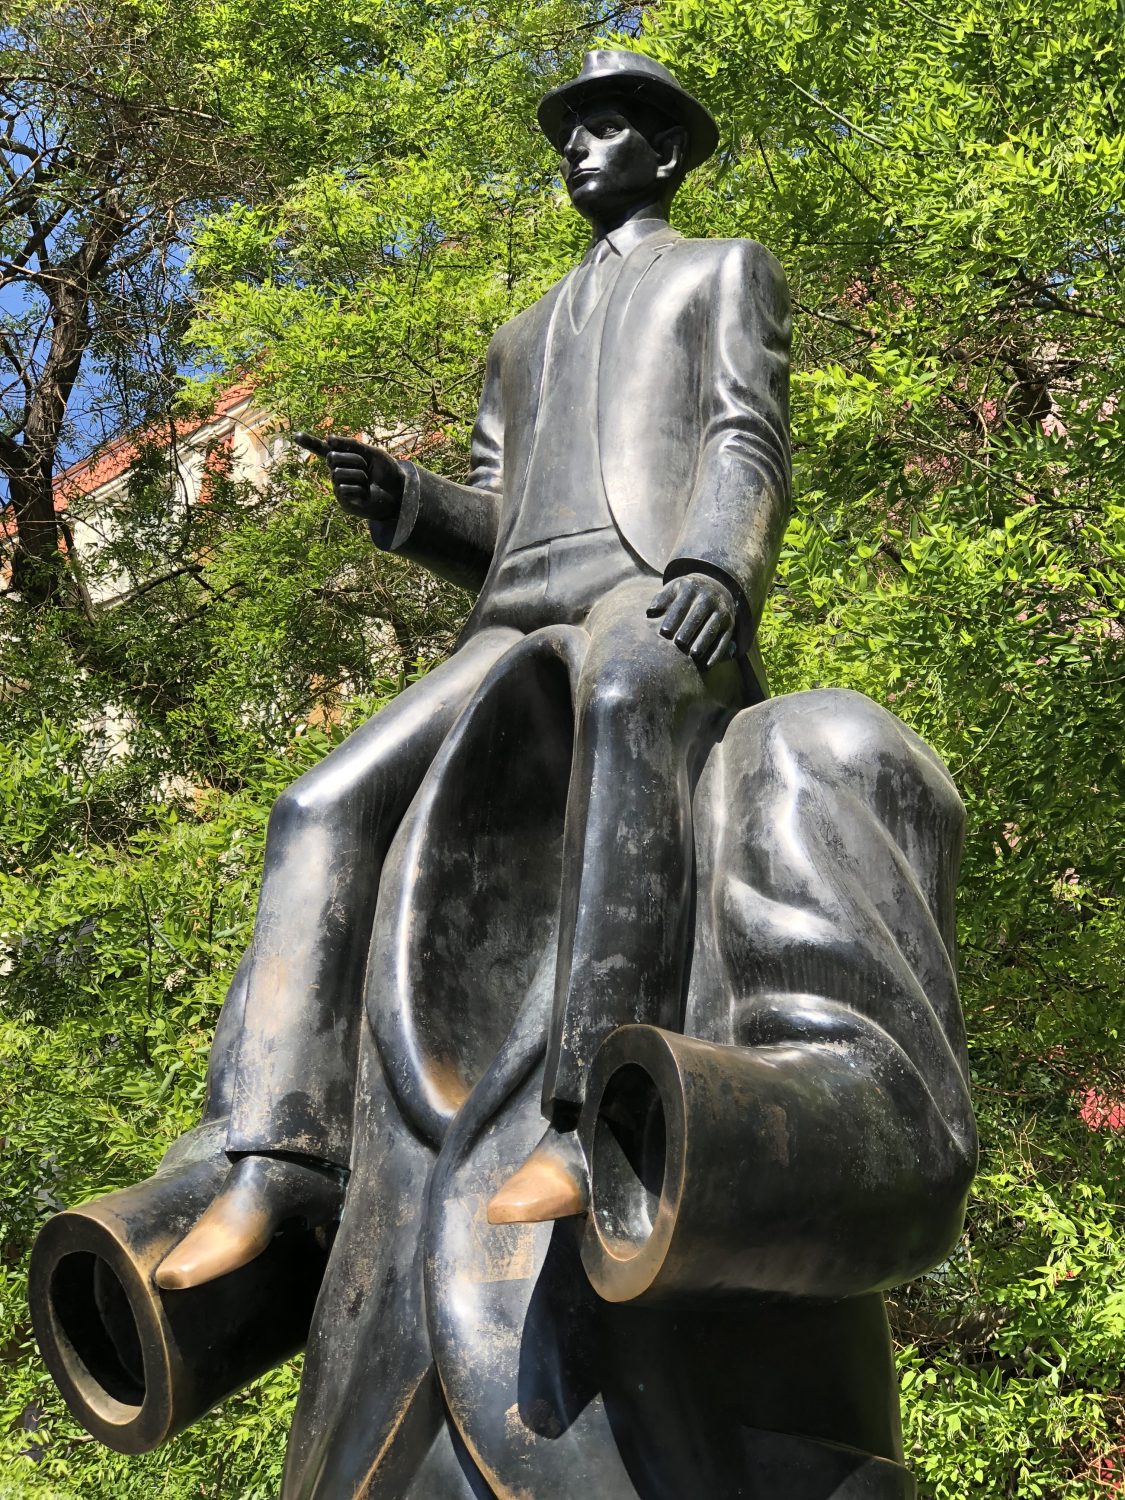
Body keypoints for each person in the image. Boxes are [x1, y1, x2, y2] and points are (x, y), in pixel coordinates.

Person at [155, 48, 792, 1290]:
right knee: (324, 802)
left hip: (645, 596)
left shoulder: (723, 273)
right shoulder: (518, 338)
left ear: (664, 153)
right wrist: (408, 503)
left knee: (619, 701)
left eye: (605, 130)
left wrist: (716, 570)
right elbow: (496, 514)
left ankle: (596, 1114)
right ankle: (275, 1161)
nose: (578, 151)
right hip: (513, 618)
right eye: (570, 135)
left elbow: (744, 435)